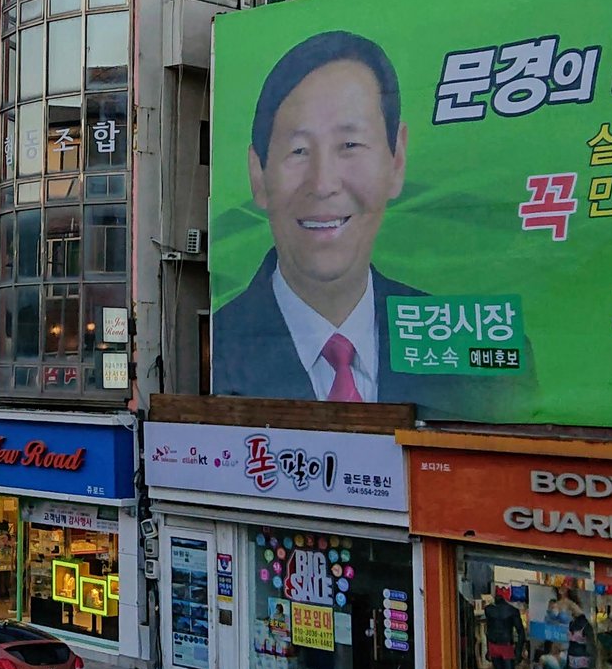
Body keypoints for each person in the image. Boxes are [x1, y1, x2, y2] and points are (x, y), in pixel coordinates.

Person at [211, 30, 521, 418]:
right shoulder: (212, 347)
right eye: (299, 150)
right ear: (258, 173)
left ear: (397, 159)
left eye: (350, 146)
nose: (323, 184)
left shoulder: (477, 359)